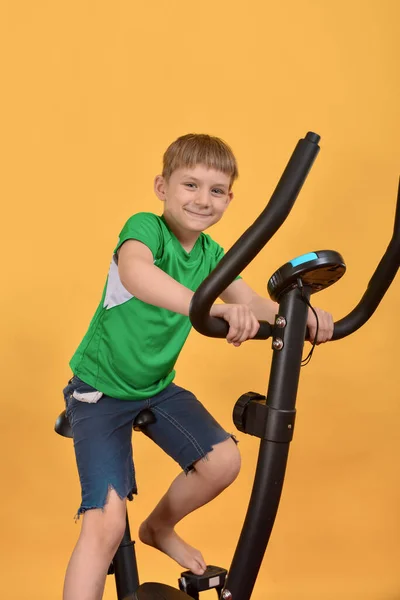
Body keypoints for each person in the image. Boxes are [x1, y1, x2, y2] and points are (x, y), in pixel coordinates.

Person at [62, 133, 334, 600]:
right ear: (161, 186)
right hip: (99, 392)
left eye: (215, 190)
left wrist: (304, 315)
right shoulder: (146, 229)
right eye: (190, 185)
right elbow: (136, 273)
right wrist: (210, 307)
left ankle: (160, 528)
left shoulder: (211, 255)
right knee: (104, 527)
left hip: (155, 387)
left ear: (230, 199)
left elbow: (248, 299)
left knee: (223, 461)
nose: (201, 199)